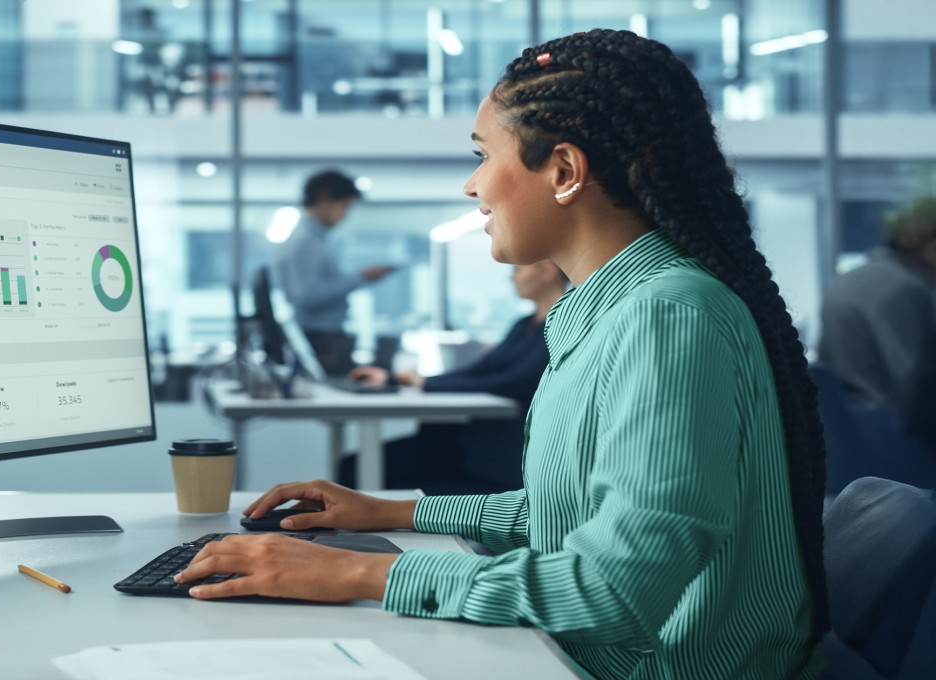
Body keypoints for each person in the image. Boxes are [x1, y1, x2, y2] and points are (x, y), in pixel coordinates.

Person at [178, 30, 827, 679]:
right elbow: (569, 512)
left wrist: (358, 570)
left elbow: (614, 591)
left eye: (483, 155)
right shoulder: (616, 309)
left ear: (565, 171)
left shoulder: (666, 317)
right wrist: (389, 512)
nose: (472, 185)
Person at [338, 260, 565, 494]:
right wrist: (397, 380)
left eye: (517, 270)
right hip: (477, 443)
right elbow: (478, 371)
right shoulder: (523, 325)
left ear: (547, 270)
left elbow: (511, 382)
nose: (511, 279)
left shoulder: (558, 325)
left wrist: (427, 384)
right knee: (352, 465)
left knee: (356, 468)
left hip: (500, 455)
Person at [819, 196, 936, 447]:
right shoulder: (904, 288)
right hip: (888, 435)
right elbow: (911, 378)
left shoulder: (848, 279)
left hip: (848, 431)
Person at [276, 170, 395, 375]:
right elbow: (307, 295)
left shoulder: (317, 240)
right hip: (320, 337)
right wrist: (360, 277)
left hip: (323, 335)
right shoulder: (305, 242)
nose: (345, 215)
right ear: (324, 198)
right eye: (344, 206)